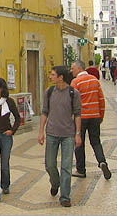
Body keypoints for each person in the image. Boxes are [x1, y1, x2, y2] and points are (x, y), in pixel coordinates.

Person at [38, 66, 82, 208]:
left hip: (68, 134)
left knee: (66, 166)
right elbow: (44, 111)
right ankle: (55, 183)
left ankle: (65, 196)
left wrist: (78, 134)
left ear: (61, 77)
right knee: (49, 164)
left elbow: (77, 114)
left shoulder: (73, 93)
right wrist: (41, 131)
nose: (50, 77)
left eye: (52, 74)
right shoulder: (49, 92)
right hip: (51, 133)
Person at [70, 60, 112, 180]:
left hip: (81, 118)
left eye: (73, 68)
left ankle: (81, 170)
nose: (71, 70)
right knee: (96, 141)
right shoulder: (94, 80)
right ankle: (102, 161)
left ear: (79, 68)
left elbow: (72, 102)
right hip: (94, 116)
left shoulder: (75, 82)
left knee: (79, 143)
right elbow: (101, 99)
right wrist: (101, 116)